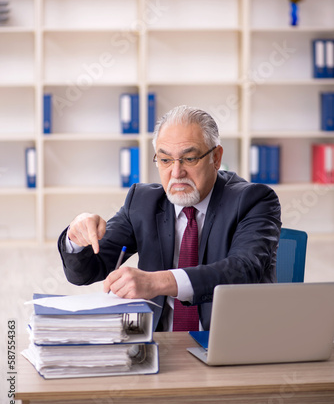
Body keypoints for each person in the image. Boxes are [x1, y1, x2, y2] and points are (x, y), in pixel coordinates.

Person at [58, 105, 281, 331]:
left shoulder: (254, 200)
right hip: (157, 344)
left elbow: (243, 270)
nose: (176, 173)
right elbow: (86, 272)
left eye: (189, 158)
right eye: (165, 160)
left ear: (216, 157)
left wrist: (158, 282)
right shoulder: (142, 201)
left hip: (228, 341)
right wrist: (76, 239)